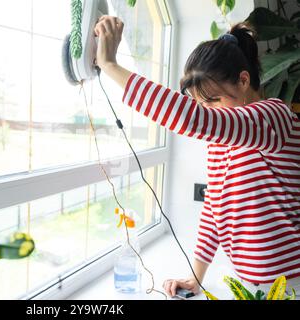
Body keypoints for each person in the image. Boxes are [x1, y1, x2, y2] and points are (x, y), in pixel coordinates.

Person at [94, 15, 300, 299]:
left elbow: (195, 120)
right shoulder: (222, 142)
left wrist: (109, 66)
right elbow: (215, 207)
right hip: (249, 285)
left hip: (290, 286)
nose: (209, 110)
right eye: (201, 103)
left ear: (243, 80)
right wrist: (195, 277)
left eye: (213, 100)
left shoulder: (275, 117)